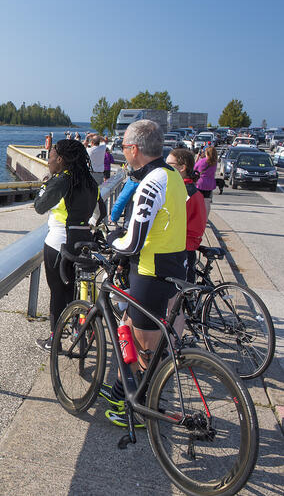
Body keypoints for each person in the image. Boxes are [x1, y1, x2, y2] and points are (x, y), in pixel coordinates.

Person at [101, 119, 187, 427]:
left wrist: (110, 240)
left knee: (144, 347)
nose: (122, 151)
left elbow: (133, 241)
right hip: (173, 263)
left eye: (124, 146)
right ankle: (121, 388)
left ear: (134, 149)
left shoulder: (152, 182)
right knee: (128, 326)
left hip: (152, 270)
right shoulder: (172, 174)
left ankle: (138, 411)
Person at [33, 139, 106, 350]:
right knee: (76, 289)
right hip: (83, 242)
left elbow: (40, 206)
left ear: (60, 159)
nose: (48, 161)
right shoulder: (90, 182)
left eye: (51, 157)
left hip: (58, 242)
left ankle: (54, 341)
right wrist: (89, 226)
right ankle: (78, 329)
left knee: (58, 292)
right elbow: (101, 212)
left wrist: (45, 185)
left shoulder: (60, 181)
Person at [166, 148, 206, 283]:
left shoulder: (184, 193)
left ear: (182, 168)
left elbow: (172, 221)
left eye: (170, 165)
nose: (165, 168)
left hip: (182, 246)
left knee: (180, 289)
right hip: (187, 244)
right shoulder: (191, 190)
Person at [194, 145, 217, 217]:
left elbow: (194, 168)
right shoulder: (214, 163)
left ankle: (198, 217)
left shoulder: (202, 161)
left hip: (200, 183)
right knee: (207, 201)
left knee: (198, 201)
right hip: (209, 184)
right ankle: (206, 218)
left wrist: (197, 158)